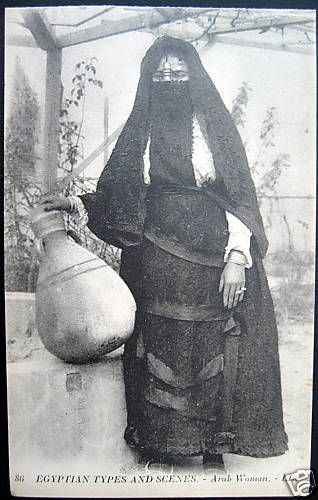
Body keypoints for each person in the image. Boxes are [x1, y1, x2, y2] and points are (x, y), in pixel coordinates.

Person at [41, 36, 288, 470]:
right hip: (154, 256)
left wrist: (236, 257)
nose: (170, 78)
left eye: (178, 70)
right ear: (149, 78)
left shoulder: (213, 126)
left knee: (212, 341)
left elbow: (239, 196)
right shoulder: (143, 126)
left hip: (211, 253)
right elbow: (121, 188)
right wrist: (77, 203)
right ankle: (161, 442)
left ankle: (212, 443)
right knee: (157, 345)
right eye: (161, 72)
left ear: (194, 74)